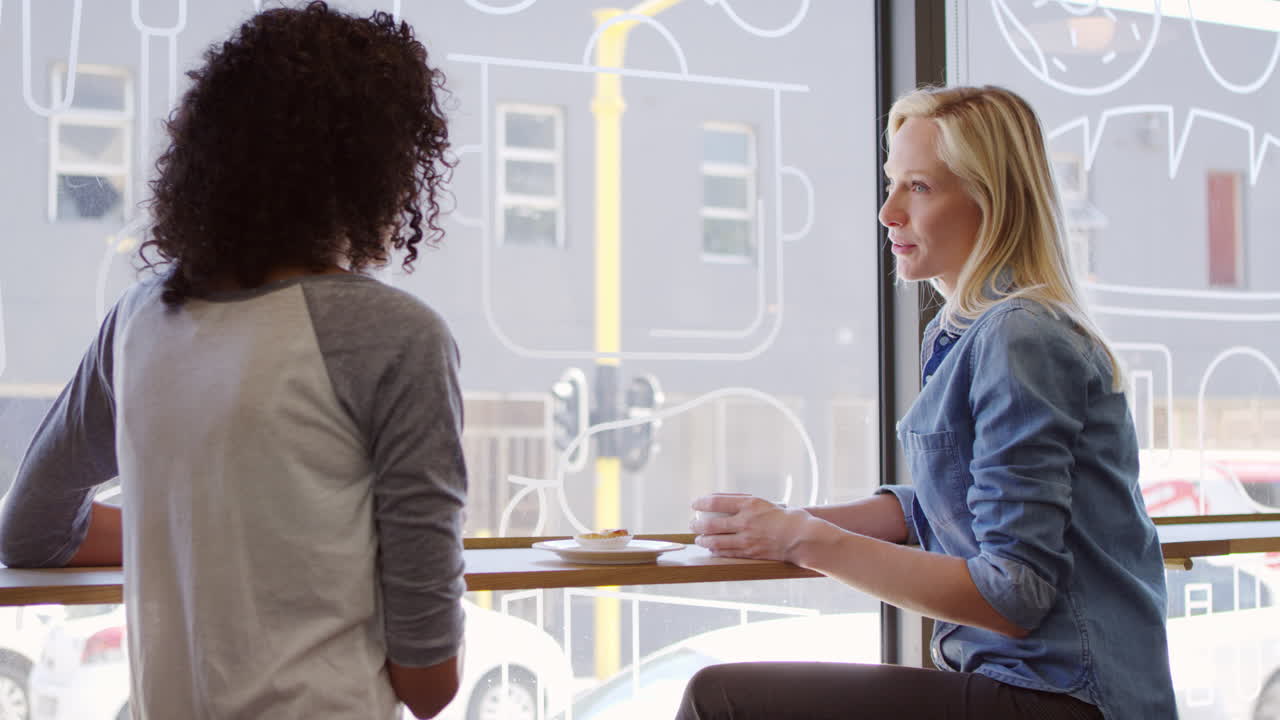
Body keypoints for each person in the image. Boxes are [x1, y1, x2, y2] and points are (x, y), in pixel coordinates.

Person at [0, 4, 467, 718]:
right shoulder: (395, 338)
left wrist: (204, 533)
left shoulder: (135, 321)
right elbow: (429, 683)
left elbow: (29, 528)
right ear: (383, 168)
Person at [679, 85, 1177, 720]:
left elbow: (1011, 591)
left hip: (1068, 698)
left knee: (719, 700)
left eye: (918, 188)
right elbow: (947, 510)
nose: (888, 212)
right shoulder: (960, 331)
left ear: (990, 200)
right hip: (1035, 687)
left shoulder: (1019, 335)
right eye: (892, 184)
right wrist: (780, 523)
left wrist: (805, 540)